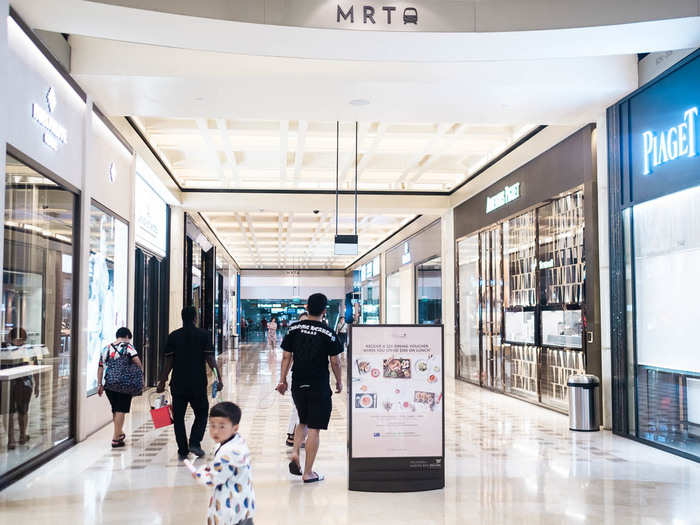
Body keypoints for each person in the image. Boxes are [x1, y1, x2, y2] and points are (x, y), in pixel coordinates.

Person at [276, 294, 343, 483]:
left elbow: (286, 357)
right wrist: (339, 381)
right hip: (318, 384)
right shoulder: (328, 332)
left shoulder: (293, 329)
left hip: (298, 383)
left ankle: (296, 451)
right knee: (314, 428)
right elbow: (335, 361)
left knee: (302, 420)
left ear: (307, 308)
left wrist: (282, 380)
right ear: (324, 310)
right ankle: (308, 472)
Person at [157, 306, 224, 460]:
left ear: (182, 318)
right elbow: (211, 360)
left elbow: (168, 361)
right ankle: (194, 442)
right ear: (195, 318)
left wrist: (162, 380)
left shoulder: (173, 336)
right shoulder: (204, 335)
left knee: (178, 417)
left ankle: (182, 448)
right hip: (197, 383)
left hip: (178, 383)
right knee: (201, 413)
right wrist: (218, 378)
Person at [190, 402, 255, 525]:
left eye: (222, 426)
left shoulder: (228, 451)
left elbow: (214, 479)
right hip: (243, 504)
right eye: (212, 425)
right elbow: (223, 468)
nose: (216, 431)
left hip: (231, 508)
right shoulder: (237, 442)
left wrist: (199, 475)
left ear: (235, 427)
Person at [97, 327, 143, 448]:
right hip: (125, 384)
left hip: (109, 384)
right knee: (121, 410)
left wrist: (99, 384)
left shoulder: (106, 348)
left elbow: (101, 367)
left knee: (116, 409)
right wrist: (139, 371)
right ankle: (115, 438)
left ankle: (119, 432)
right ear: (127, 336)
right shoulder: (128, 347)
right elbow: (137, 362)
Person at [3, 328, 39, 449]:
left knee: (23, 410)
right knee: (9, 412)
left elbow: (35, 367)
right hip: (9, 384)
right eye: (17, 340)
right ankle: (11, 439)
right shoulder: (5, 350)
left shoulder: (28, 350)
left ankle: (22, 435)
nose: (19, 342)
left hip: (24, 384)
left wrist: (37, 384)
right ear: (11, 339)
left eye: (21, 340)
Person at [284, 312, 308, 447]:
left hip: (307, 376)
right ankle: (292, 436)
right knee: (297, 407)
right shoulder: (294, 336)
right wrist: (283, 379)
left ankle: (295, 436)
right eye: (302, 322)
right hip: (295, 375)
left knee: (301, 407)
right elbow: (287, 358)